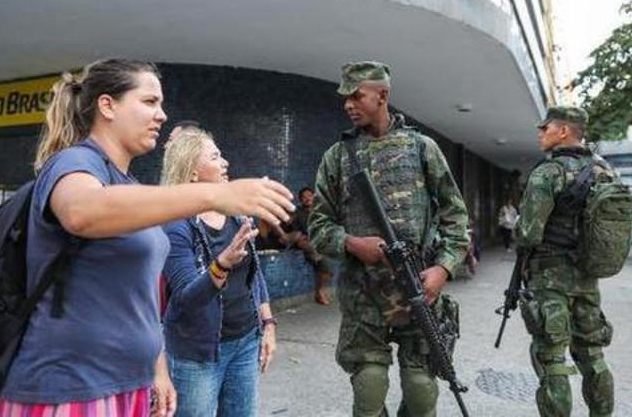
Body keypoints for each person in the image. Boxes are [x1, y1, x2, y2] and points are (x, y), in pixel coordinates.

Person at [0, 59, 294, 417]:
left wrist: (158, 370)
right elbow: (82, 212)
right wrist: (211, 195)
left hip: (128, 384)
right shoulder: (74, 162)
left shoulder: (131, 186)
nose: (163, 115)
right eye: (150, 102)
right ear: (107, 106)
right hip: (70, 387)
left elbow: (141, 298)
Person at [310, 61, 470, 417]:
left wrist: (443, 268)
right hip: (363, 294)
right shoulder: (337, 157)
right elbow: (318, 227)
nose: (347, 104)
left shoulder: (422, 148)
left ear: (382, 96)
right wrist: (353, 243)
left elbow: (456, 216)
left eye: (356, 96)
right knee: (369, 388)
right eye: (344, 98)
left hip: (419, 288)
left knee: (421, 389)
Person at [161, 128, 277, 417]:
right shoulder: (176, 224)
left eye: (221, 154)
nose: (225, 162)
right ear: (192, 173)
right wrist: (222, 263)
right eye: (215, 156)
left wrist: (268, 324)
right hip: (197, 353)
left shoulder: (236, 214)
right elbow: (186, 298)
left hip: (246, 343)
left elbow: (255, 275)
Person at [515, 106, 615, 417]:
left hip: (550, 280)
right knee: (593, 356)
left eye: (545, 128)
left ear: (563, 132)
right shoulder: (605, 171)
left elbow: (529, 233)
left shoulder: (548, 172)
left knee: (552, 359)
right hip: (587, 278)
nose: (540, 133)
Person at [282, 186, 333, 305]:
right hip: (302, 242)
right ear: (300, 200)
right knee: (304, 241)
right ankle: (321, 292)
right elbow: (291, 228)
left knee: (326, 264)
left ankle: (321, 291)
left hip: (318, 242)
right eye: (304, 197)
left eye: (309, 196)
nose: (307, 199)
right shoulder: (297, 212)